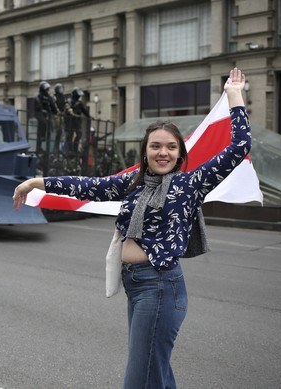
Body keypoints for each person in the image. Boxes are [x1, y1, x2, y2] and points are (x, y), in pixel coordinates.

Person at [13, 67, 250, 388]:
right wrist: (38, 182)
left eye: (170, 147)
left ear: (180, 153)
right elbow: (89, 186)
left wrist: (234, 96)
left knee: (140, 378)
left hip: (161, 287)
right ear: (145, 151)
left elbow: (239, 148)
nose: (162, 152)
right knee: (156, 373)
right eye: (155, 146)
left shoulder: (192, 182)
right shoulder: (133, 181)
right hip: (137, 287)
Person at [33, 81, 57, 154]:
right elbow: (37, 105)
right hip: (39, 113)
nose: (47, 90)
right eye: (46, 88)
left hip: (47, 114)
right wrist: (42, 110)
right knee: (43, 124)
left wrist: (55, 112)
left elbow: (52, 105)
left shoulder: (49, 97)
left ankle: (47, 147)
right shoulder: (38, 96)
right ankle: (40, 142)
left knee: (50, 127)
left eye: (48, 88)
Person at [67, 87, 91, 154]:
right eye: (78, 95)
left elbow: (84, 110)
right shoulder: (69, 100)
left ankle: (75, 148)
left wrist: (89, 116)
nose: (79, 96)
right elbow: (68, 109)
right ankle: (69, 149)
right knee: (70, 135)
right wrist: (73, 114)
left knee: (79, 134)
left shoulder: (79, 103)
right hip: (70, 120)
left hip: (77, 121)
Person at [53, 83, 73, 155]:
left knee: (62, 131)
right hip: (56, 116)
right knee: (59, 131)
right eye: (60, 88)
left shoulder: (63, 97)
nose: (62, 90)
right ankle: (57, 149)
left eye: (62, 88)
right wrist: (58, 112)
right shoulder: (54, 97)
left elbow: (66, 104)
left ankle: (60, 148)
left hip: (62, 115)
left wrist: (70, 111)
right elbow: (54, 105)